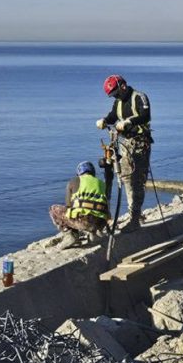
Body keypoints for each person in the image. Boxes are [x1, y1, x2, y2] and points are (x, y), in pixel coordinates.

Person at [96, 74, 152, 231]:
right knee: (126, 178)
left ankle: (134, 217)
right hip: (125, 143)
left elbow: (145, 115)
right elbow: (113, 116)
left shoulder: (139, 97)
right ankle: (135, 214)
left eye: (116, 93)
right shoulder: (118, 102)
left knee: (135, 179)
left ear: (123, 86)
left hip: (139, 144)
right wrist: (105, 120)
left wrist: (129, 121)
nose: (116, 97)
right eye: (113, 95)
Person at [49, 161, 110, 248]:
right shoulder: (102, 183)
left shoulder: (74, 181)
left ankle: (71, 235)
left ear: (79, 173)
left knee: (54, 209)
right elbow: (106, 202)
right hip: (100, 223)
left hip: (83, 221)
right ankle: (93, 234)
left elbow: (68, 205)